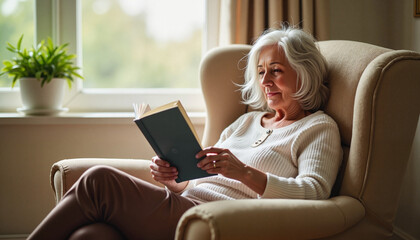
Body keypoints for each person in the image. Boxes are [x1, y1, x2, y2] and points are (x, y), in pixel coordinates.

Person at [28, 26, 342, 240]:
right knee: (91, 236)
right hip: (184, 205)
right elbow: (201, 180)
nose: (265, 81)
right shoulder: (246, 122)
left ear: (304, 72)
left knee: (99, 180)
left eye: (276, 70)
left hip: (213, 218)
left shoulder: (317, 128)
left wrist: (244, 172)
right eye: (261, 72)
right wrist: (173, 179)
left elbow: (314, 193)